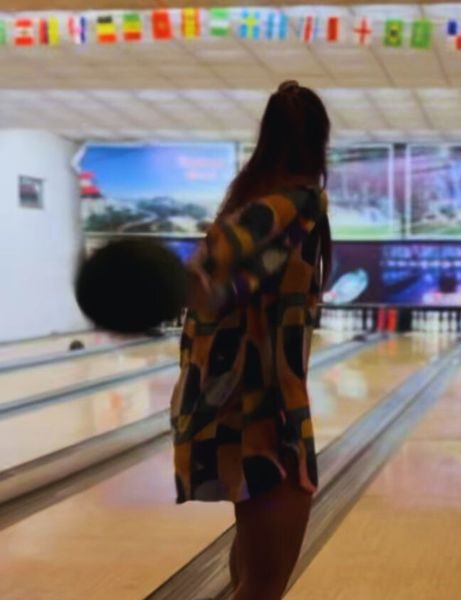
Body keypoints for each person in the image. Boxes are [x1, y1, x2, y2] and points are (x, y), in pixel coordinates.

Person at [170, 80, 332, 600]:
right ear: (320, 144)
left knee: (250, 575)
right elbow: (212, 279)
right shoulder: (299, 203)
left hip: (222, 405)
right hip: (267, 413)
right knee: (264, 585)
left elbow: (213, 275)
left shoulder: (246, 205)